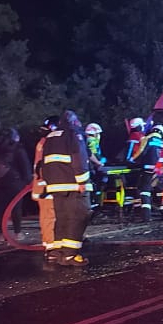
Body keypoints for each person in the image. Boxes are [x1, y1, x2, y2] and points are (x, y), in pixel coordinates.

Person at [40, 109, 93, 266]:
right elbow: (79, 158)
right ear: (74, 121)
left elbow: (44, 162)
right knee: (79, 216)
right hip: (73, 184)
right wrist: (82, 181)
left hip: (54, 186)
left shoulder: (51, 136)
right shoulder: (74, 134)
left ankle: (57, 252)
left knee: (62, 218)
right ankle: (71, 254)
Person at [0, 128, 32, 238]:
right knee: (16, 208)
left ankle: (2, 233)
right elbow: (25, 167)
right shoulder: (18, 149)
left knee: (1, 208)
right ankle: (17, 232)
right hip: (15, 183)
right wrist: (28, 181)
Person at [33, 116, 60, 261]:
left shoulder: (44, 142)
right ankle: (50, 247)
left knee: (51, 216)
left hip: (46, 186)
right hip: (46, 187)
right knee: (49, 217)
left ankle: (52, 244)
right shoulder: (48, 143)